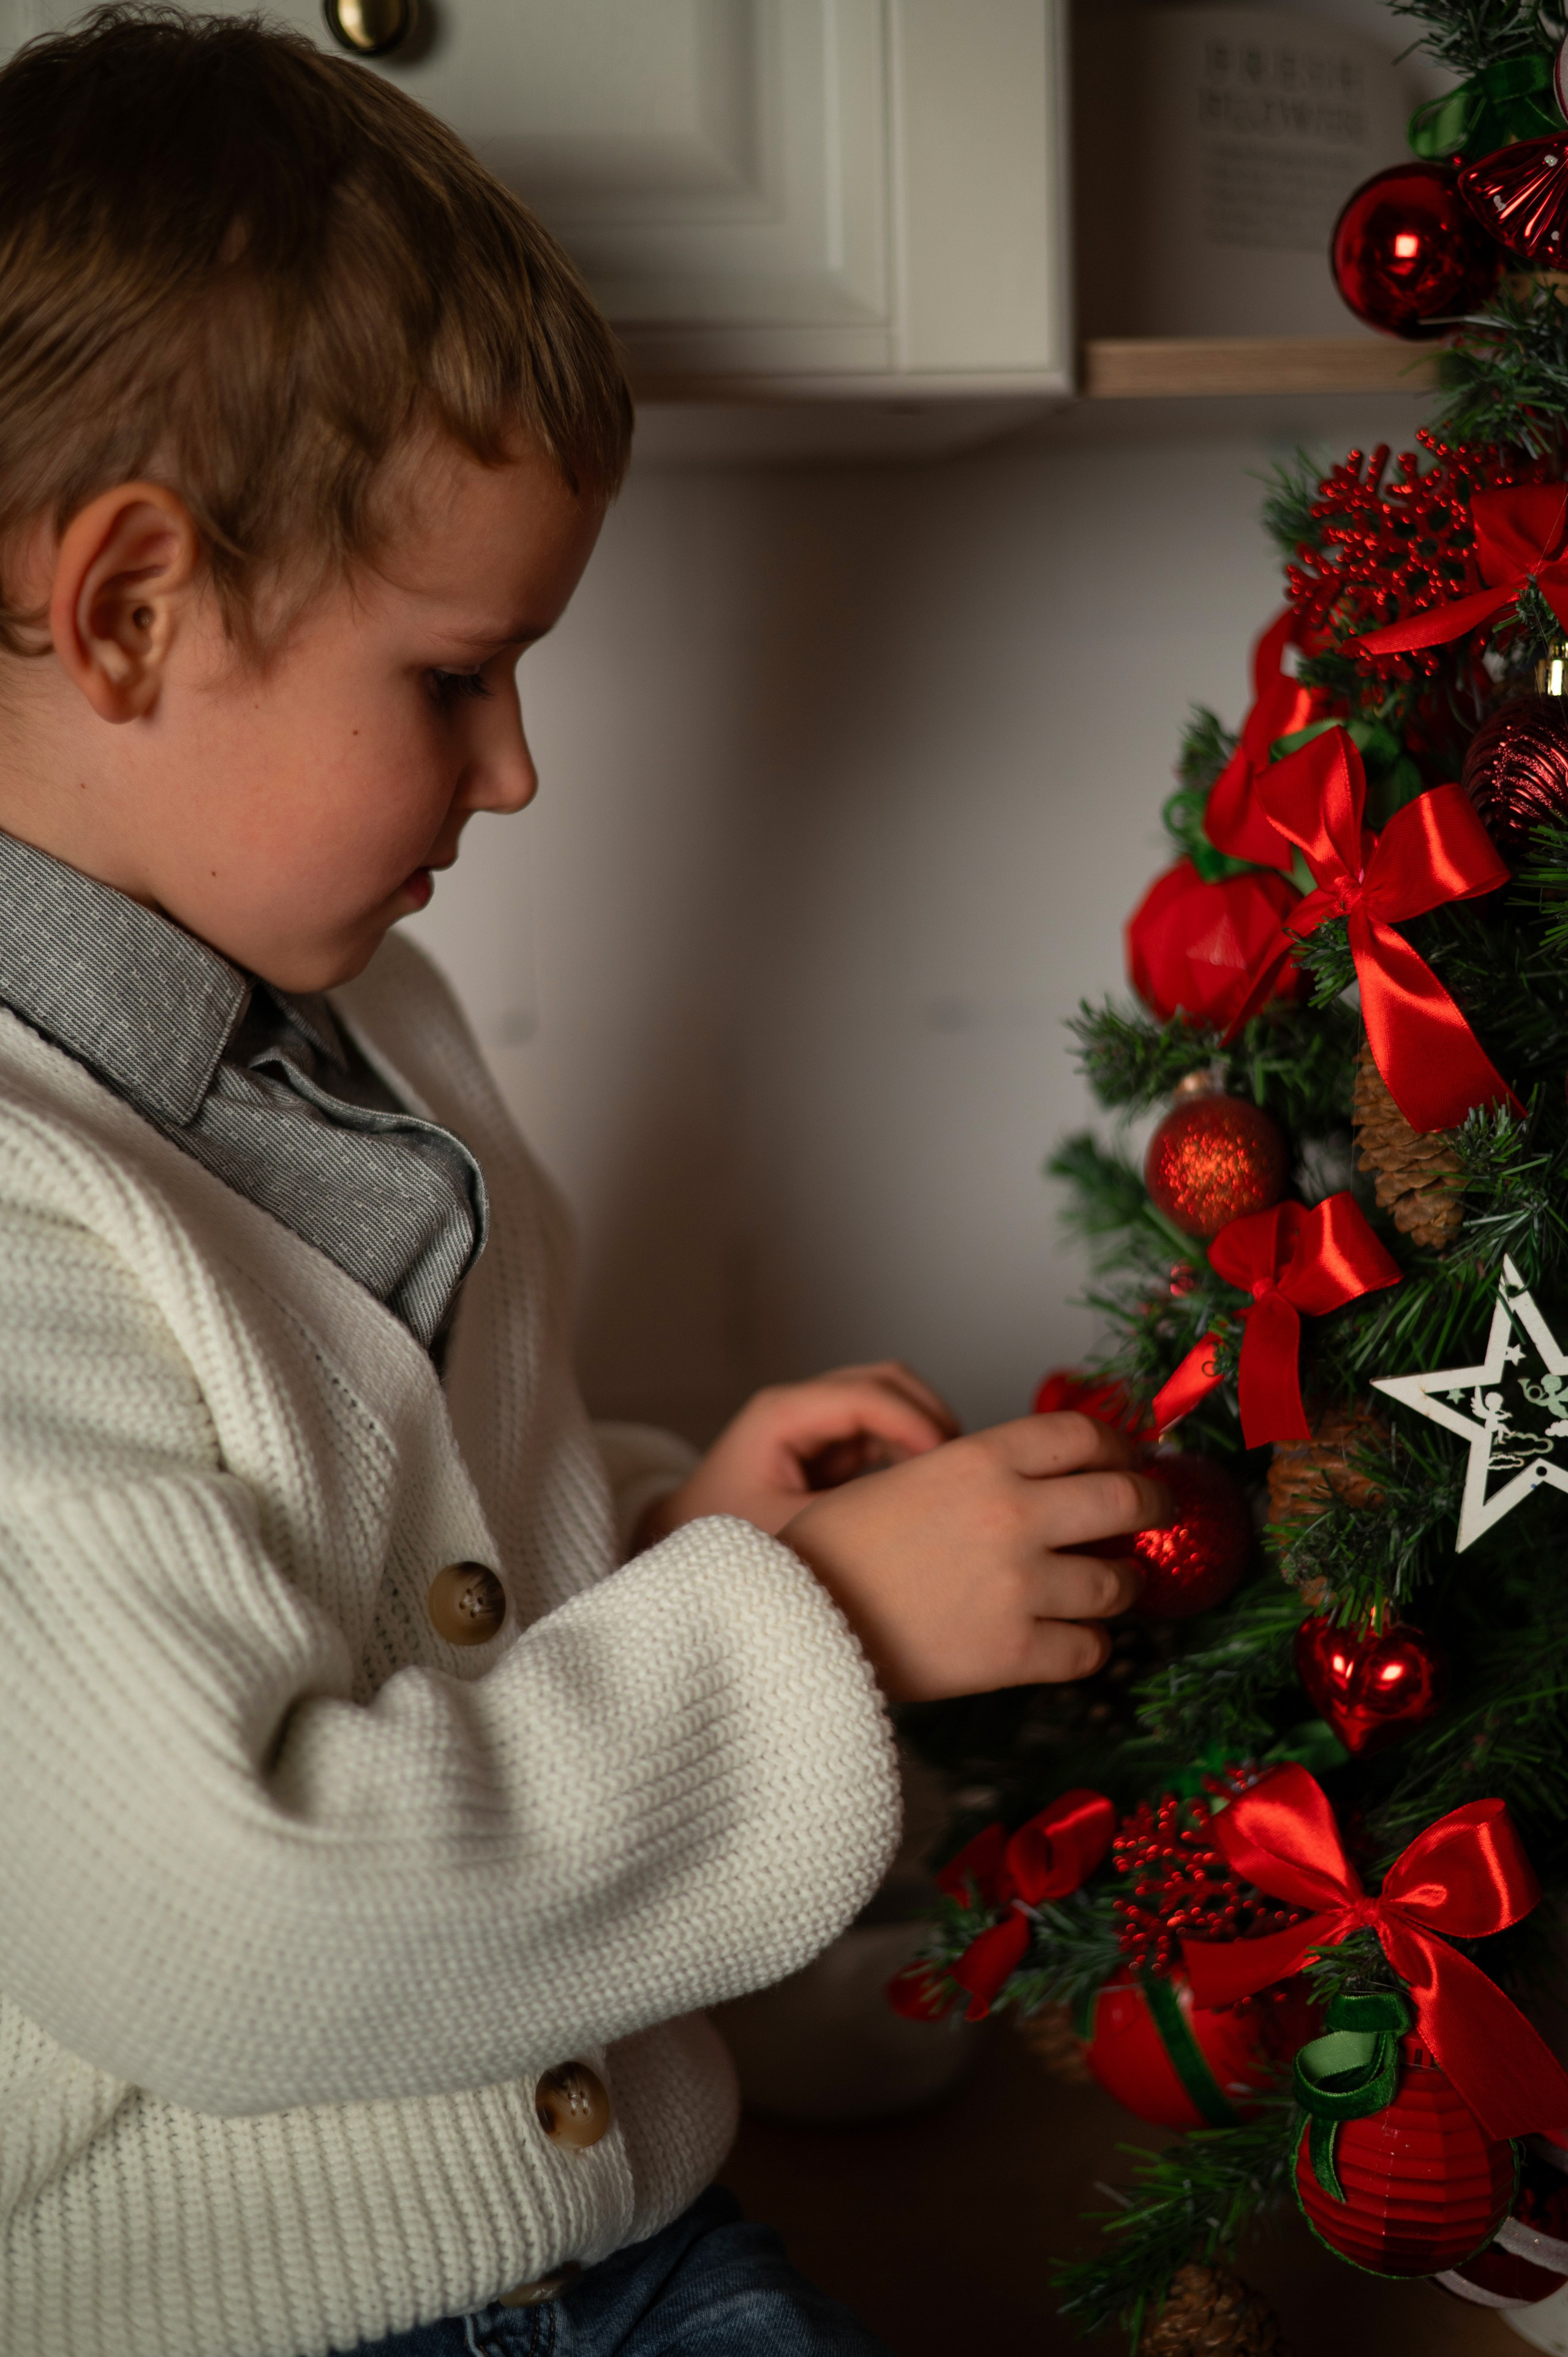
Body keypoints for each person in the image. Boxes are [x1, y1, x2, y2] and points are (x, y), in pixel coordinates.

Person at [0, 12, 1166, 2356]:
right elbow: (243, 1921)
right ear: (132, 609)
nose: (516, 769)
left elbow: (388, 1579)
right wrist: (812, 1627)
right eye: (457, 676)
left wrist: (662, 1537)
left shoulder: (361, 1020)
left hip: (627, 2239)